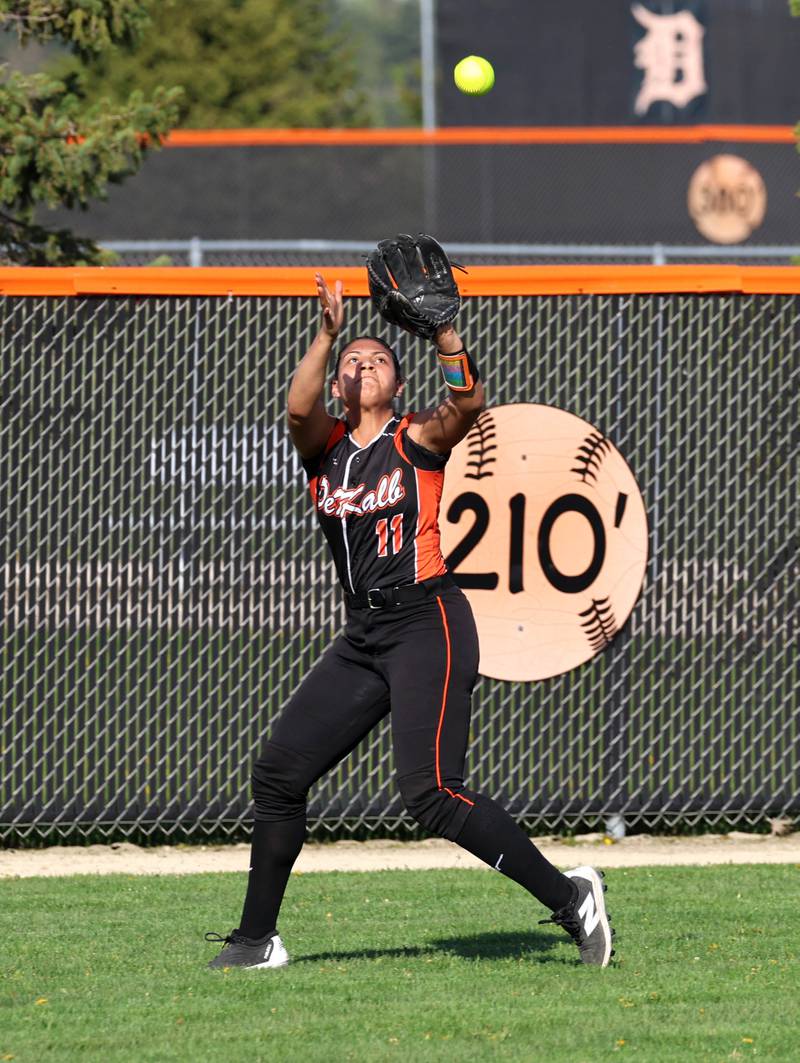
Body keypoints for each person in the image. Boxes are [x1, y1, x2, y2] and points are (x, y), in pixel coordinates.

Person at [205, 272, 614, 969]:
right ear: (339, 385)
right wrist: (329, 333)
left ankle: (572, 897)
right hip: (363, 636)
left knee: (430, 792)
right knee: (279, 770)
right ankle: (255, 940)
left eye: (379, 359)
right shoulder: (323, 447)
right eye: (352, 364)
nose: (363, 366)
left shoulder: (415, 438)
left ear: (396, 384)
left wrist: (443, 330)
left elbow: (467, 399)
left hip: (429, 620)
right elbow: (295, 407)